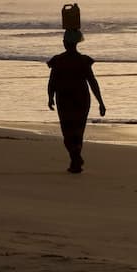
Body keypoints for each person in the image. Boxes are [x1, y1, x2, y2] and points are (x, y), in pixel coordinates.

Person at [47, 29, 106, 173]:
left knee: (67, 132)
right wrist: (100, 102)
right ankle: (76, 160)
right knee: (78, 131)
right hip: (82, 99)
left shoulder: (58, 60)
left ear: (64, 43)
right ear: (76, 43)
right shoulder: (83, 61)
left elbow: (52, 82)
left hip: (64, 99)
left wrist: (50, 97)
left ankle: (75, 160)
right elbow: (93, 82)